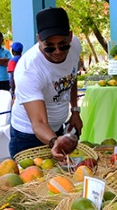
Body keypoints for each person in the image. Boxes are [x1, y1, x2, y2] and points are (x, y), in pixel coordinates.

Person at [9, 8, 82, 159]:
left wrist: (75, 110)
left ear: (70, 36)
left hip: (57, 130)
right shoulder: (28, 69)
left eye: (63, 45)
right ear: (39, 40)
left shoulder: (75, 45)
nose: (57, 51)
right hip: (27, 136)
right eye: (49, 46)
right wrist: (55, 142)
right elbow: (39, 122)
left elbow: (72, 76)